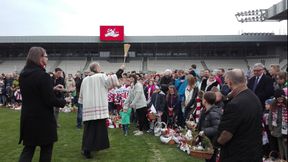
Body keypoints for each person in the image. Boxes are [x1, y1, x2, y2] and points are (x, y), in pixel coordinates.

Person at [18, 47, 66, 162]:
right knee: (46, 150)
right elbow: (50, 100)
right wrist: (64, 101)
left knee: (28, 150)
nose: (47, 58)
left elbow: (35, 92)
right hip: (43, 120)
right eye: (46, 56)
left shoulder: (23, 75)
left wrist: (51, 88)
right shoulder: (43, 76)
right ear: (39, 58)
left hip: (28, 118)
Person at [78, 62, 124, 159]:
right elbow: (112, 80)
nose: (101, 68)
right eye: (99, 67)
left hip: (88, 108)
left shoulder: (85, 79)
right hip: (98, 107)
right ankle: (88, 150)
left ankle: (87, 147)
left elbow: (81, 95)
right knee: (97, 130)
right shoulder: (100, 76)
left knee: (89, 130)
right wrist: (121, 70)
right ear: (96, 69)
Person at [216, 69, 263, 162]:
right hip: (254, 151)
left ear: (230, 82)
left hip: (237, 154)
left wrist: (216, 143)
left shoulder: (235, 104)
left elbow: (226, 134)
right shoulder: (254, 97)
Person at [197, 91, 222, 162]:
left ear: (205, 101)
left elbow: (217, 128)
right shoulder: (205, 111)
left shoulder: (214, 113)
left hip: (212, 142)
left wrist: (204, 131)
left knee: (211, 159)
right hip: (207, 141)